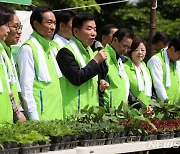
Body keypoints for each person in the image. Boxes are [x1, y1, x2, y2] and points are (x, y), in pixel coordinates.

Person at [56, 12, 107, 118]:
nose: (93, 33)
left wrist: (100, 82)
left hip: (91, 113)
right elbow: (76, 78)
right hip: (74, 113)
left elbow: (88, 77)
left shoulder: (90, 51)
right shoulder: (65, 52)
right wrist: (96, 61)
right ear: (76, 31)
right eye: (89, 29)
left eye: (95, 29)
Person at [17, 6, 63, 121]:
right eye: (49, 23)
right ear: (36, 24)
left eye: (54, 23)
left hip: (56, 116)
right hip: (40, 119)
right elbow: (26, 89)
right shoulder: (28, 49)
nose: (53, 27)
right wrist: (35, 120)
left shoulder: (51, 48)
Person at [1, 10, 26, 122]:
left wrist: (18, 111)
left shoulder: (6, 52)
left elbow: (10, 89)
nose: (19, 32)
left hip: (7, 119)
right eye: (15, 27)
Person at [101, 28, 133, 108]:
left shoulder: (120, 60)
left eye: (128, 48)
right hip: (107, 113)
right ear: (115, 40)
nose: (125, 50)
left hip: (119, 112)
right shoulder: (102, 57)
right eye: (124, 46)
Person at [123, 37, 153, 113]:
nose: (140, 52)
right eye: (136, 50)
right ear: (130, 51)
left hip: (148, 111)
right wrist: (141, 107)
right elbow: (128, 93)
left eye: (143, 50)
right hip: (133, 111)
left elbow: (152, 89)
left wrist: (151, 106)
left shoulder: (145, 67)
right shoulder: (125, 67)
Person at [147, 36, 180, 103]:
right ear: (172, 49)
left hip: (175, 107)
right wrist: (167, 105)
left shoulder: (176, 62)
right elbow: (158, 85)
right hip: (162, 107)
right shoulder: (156, 60)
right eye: (179, 54)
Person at [0, 6, 14, 123]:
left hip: (6, 119)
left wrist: (17, 111)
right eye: (6, 25)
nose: (8, 30)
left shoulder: (2, 51)